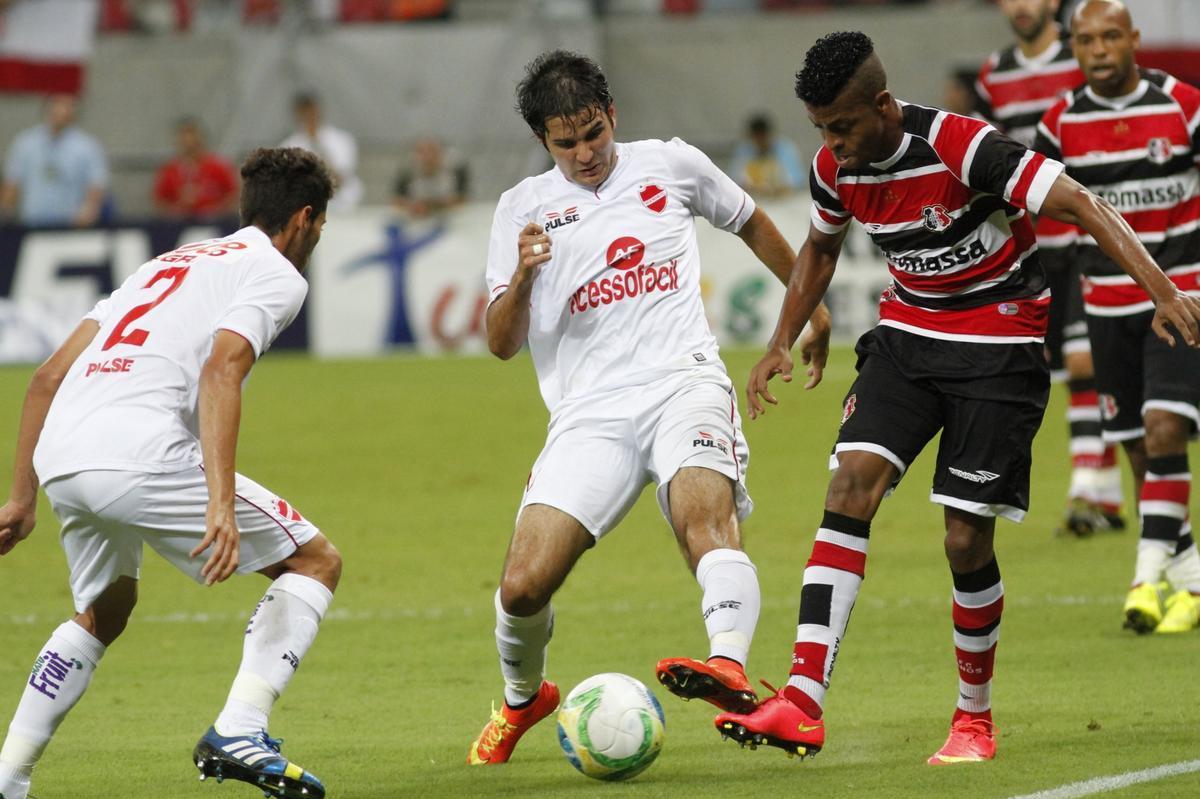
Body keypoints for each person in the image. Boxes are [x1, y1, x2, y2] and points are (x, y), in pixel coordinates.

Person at [713, 30, 1200, 766]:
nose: (833, 144)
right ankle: (803, 700)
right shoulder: (832, 166)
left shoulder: (963, 147)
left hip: (1001, 345)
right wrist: (786, 334)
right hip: (909, 337)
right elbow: (820, 245)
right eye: (821, 129)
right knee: (849, 487)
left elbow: (1081, 203)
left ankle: (974, 717)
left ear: (882, 105)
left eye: (842, 126)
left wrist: (1162, 290)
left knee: (965, 539)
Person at [468, 49, 825, 766]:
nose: (585, 152)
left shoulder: (671, 164)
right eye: (566, 142)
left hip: (681, 380)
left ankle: (727, 661)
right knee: (522, 585)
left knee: (703, 515)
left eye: (593, 133)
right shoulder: (521, 209)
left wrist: (806, 315)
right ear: (544, 141)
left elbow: (752, 221)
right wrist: (524, 277)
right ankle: (523, 697)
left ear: (612, 115)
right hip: (588, 413)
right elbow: (501, 343)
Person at [0, 148, 340, 799]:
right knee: (315, 562)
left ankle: (8, 776)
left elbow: (47, 376)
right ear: (303, 219)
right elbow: (222, 370)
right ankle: (241, 725)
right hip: (137, 451)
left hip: (65, 454)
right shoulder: (275, 272)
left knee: (104, 609)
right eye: (319, 228)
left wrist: (21, 497)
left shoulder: (167, 261)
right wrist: (218, 501)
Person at [1034, 0, 1200, 633]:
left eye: (1110, 36)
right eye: (1085, 40)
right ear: (1073, 48)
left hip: (1178, 302)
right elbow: (1047, 217)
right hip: (1105, 308)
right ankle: (1188, 582)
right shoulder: (1060, 123)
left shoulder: (1183, 104)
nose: (1098, 49)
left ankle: (1142, 580)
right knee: (1136, 449)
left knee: (1164, 431)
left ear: (1134, 39)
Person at [978, 0, 1122, 536]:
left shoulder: (1084, 52)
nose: (1020, 6)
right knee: (1063, 365)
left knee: (1084, 362)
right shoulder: (995, 74)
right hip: (1035, 245)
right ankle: (1103, 491)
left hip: (1090, 233)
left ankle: (1089, 485)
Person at [0, 94, 109, 227]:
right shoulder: (26, 143)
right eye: (57, 106)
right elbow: (12, 183)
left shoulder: (87, 147)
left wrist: (88, 212)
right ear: (47, 110)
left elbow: (97, 185)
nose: (61, 112)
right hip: (33, 223)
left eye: (67, 107)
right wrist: (6, 213)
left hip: (70, 224)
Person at [281, 92, 362, 211]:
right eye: (304, 114)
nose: (309, 117)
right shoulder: (288, 146)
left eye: (311, 112)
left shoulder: (342, 140)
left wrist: (316, 144)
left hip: (343, 206)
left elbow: (339, 178)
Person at [152, 116, 240, 219]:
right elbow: (159, 200)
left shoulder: (218, 167)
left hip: (214, 225)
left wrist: (215, 211)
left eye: (192, 134)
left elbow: (234, 195)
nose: (188, 140)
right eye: (184, 136)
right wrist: (174, 211)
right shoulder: (169, 170)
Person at [728, 113, 806, 198]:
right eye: (756, 138)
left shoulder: (785, 149)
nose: (760, 141)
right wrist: (752, 187)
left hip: (783, 201)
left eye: (762, 137)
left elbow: (798, 179)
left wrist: (779, 187)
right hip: (755, 200)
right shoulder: (744, 151)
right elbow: (734, 180)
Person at [392, 136, 469, 217]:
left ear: (441, 153)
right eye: (422, 152)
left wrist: (432, 206)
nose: (428, 157)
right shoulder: (407, 171)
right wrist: (412, 207)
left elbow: (463, 198)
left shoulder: (455, 169)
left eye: (432, 152)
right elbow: (396, 199)